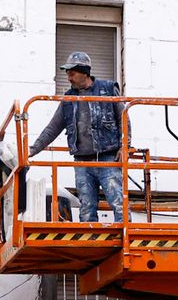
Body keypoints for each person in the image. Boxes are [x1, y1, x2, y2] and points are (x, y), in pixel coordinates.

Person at [29, 50, 127, 222]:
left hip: (108, 157)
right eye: (67, 74)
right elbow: (52, 128)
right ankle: (91, 243)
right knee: (87, 207)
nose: (69, 78)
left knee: (118, 201)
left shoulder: (108, 89)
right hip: (82, 161)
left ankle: (126, 236)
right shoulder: (69, 99)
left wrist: (124, 145)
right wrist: (32, 150)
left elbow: (124, 118)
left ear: (84, 72)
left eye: (72, 73)